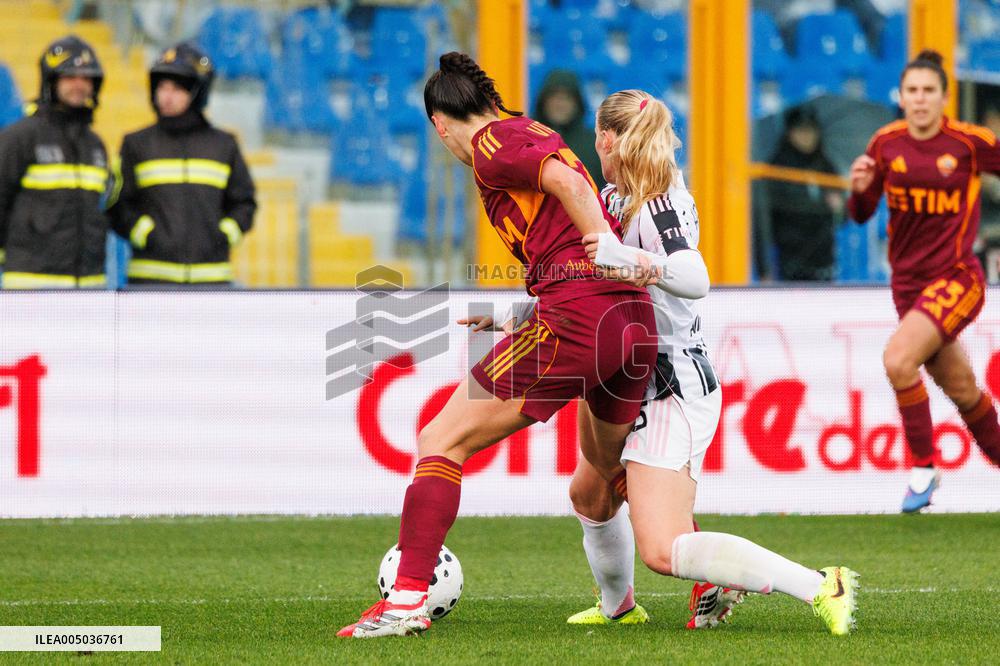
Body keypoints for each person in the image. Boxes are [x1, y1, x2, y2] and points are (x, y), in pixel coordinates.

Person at [337, 52, 658, 639]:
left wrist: (604, 247)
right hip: (629, 321)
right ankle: (699, 564)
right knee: (606, 479)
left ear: (440, 125)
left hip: (579, 318)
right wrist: (523, 309)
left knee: (440, 439)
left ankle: (405, 601)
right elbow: (560, 231)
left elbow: (569, 187)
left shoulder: (490, 144)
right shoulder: (525, 131)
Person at [579, 90, 860, 636]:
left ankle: (822, 584)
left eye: (596, 136)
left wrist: (631, 260)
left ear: (607, 139)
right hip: (631, 376)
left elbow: (695, 278)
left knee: (662, 548)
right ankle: (621, 606)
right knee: (590, 492)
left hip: (671, 384)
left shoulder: (657, 202)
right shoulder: (617, 196)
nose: (596, 146)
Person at [848, 50, 1000, 513]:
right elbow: (861, 213)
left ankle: (923, 466)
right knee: (963, 388)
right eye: (912, 90)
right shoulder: (885, 144)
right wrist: (859, 191)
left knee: (898, 360)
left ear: (944, 97)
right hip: (908, 287)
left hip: (957, 277)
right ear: (902, 97)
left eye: (928, 91)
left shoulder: (970, 143)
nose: (919, 99)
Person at [109, 43, 255, 286]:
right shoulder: (136, 144)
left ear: (198, 92)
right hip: (150, 281)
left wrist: (222, 236)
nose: (167, 97)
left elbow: (244, 204)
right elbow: (118, 205)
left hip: (211, 281)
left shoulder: (224, 145)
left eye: (177, 89)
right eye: (162, 87)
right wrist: (146, 235)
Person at [0, 35, 110, 289]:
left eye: (86, 78)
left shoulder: (95, 145)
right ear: (51, 81)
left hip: (90, 285)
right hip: (32, 283)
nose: (79, 85)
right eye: (70, 77)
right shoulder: (20, 137)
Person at [766, 106, 844, 281]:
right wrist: (823, 205)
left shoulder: (825, 164)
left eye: (811, 130)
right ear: (790, 134)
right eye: (801, 130)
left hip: (824, 258)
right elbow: (781, 206)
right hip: (792, 259)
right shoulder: (777, 167)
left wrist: (839, 207)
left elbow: (844, 212)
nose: (807, 136)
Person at [533, 69, 604, 189]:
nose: (560, 104)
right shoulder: (527, 139)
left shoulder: (595, 145)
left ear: (578, 103)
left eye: (567, 98)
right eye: (554, 97)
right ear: (543, 101)